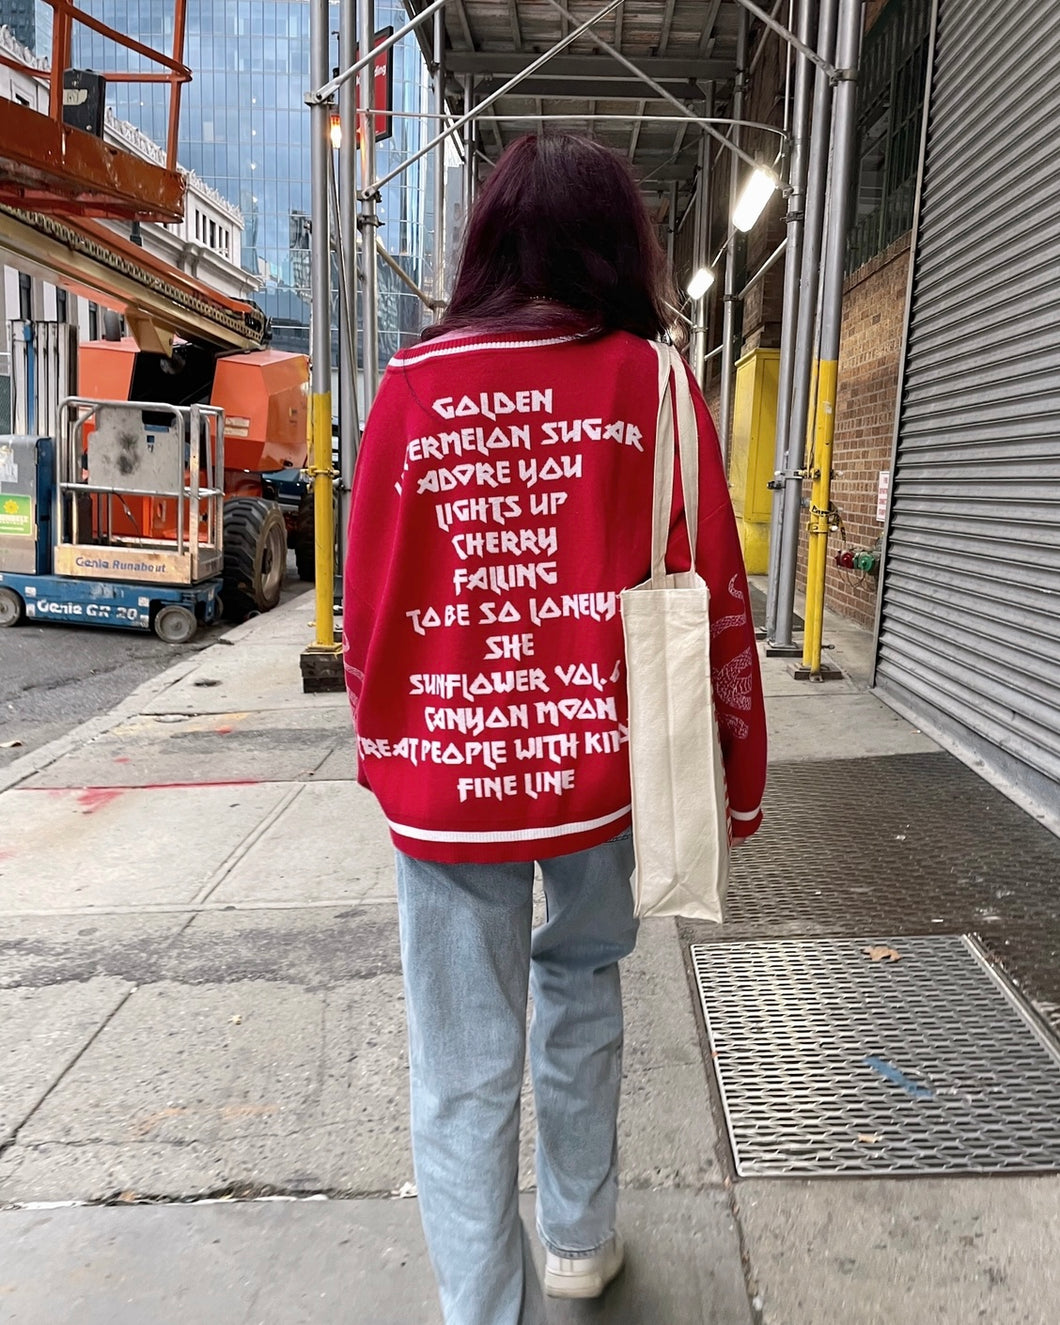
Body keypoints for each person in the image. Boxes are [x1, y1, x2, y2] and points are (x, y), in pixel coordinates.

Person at [342, 133, 766, 1325]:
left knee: (460, 1060)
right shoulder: (654, 382)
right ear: (614, 245)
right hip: (599, 767)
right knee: (583, 986)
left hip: (449, 770)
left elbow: (366, 592)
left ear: (489, 241)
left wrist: (388, 739)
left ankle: (485, 1305)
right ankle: (579, 1237)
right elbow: (712, 580)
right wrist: (737, 773)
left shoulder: (411, 385)